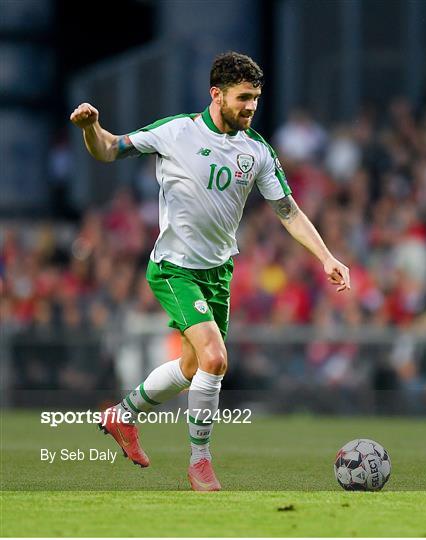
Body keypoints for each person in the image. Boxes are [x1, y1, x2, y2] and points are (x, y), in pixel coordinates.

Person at [70, 51, 351, 491]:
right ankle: (199, 462)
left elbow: (289, 211)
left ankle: (122, 417)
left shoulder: (256, 151)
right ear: (216, 95)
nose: (251, 107)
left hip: (218, 272)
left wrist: (327, 256)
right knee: (216, 359)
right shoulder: (176, 131)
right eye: (243, 98)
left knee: (190, 367)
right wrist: (90, 128)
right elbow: (108, 149)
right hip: (173, 269)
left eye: (256, 98)